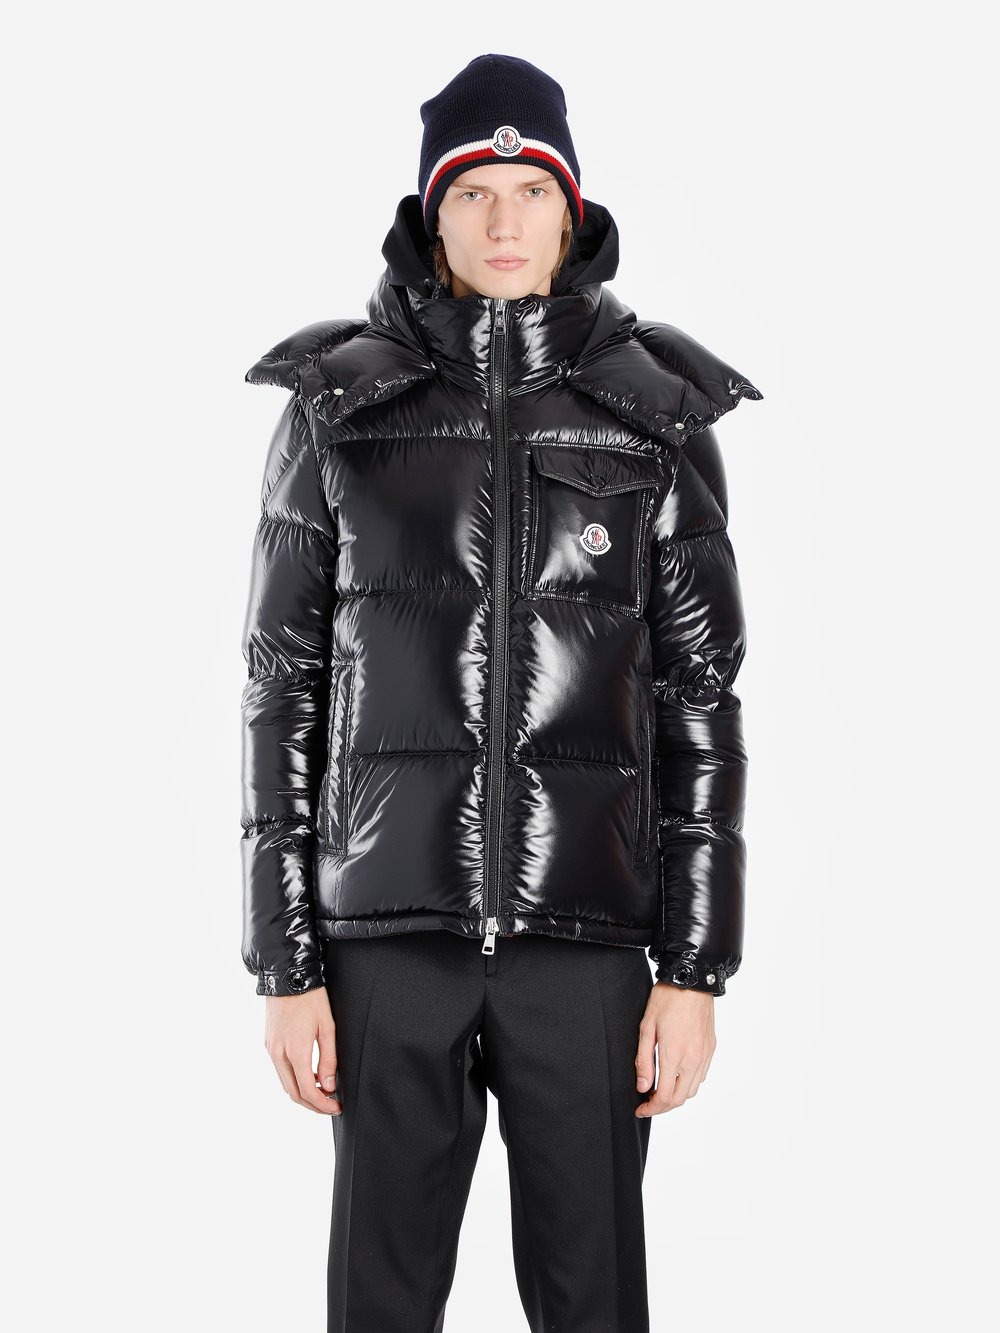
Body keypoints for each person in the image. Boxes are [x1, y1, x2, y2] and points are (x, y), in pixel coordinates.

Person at [239, 52, 762, 1333]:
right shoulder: (339, 407)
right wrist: (285, 966)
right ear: (434, 215)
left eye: (532, 192)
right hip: (385, 941)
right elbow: (280, 687)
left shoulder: (652, 415)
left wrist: (695, 970)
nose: (505, 220)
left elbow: (701, 699)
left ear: (572, 212)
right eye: (474, 191)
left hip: (586, 946)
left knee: (593, 1304)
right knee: (379, 1304)